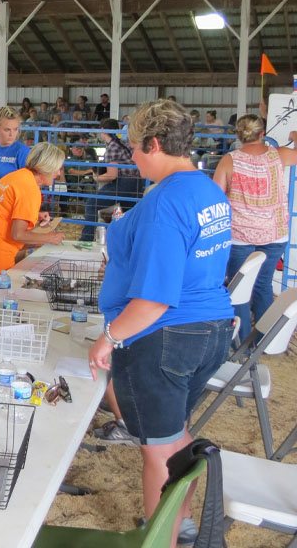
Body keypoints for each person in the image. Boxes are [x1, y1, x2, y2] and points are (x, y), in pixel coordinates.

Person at [89, 99, 233, 547]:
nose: (131, 157)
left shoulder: (165, 203)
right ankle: (181, 523)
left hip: (165, 339)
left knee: (156, 450)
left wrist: (109, 337)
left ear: (154, 144)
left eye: (134, 148)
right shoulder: (207, 189)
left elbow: (154, 300)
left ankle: (159, 537)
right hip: (211, 328)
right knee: (176, 435)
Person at [212, 114, 297, 340]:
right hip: (274, 232)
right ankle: (264, 340)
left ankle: (241, 341)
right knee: (263, 284)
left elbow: (216, 195)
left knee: (238, 288)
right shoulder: (278, 156)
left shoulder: (229, 160)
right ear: (262, 134)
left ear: (238, 135)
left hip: (240, 235)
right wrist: (294, 136)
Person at [0, 142, 66, 288]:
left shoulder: (17, 176)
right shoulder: (30, 189)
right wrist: (50, 237)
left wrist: (34, 214)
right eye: (58, 168)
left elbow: (5, 210)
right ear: (46, 167)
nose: (59, 174)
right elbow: (18, 234)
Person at [79, 120, 144, 241]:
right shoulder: (123, 143)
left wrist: (97, 178)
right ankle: (124, 241)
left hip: (124, 183)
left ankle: (86, 239)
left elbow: (111, 175)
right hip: (137, 184)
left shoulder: (112, 148)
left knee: (91, 204)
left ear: (103, 131)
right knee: (124, 213)